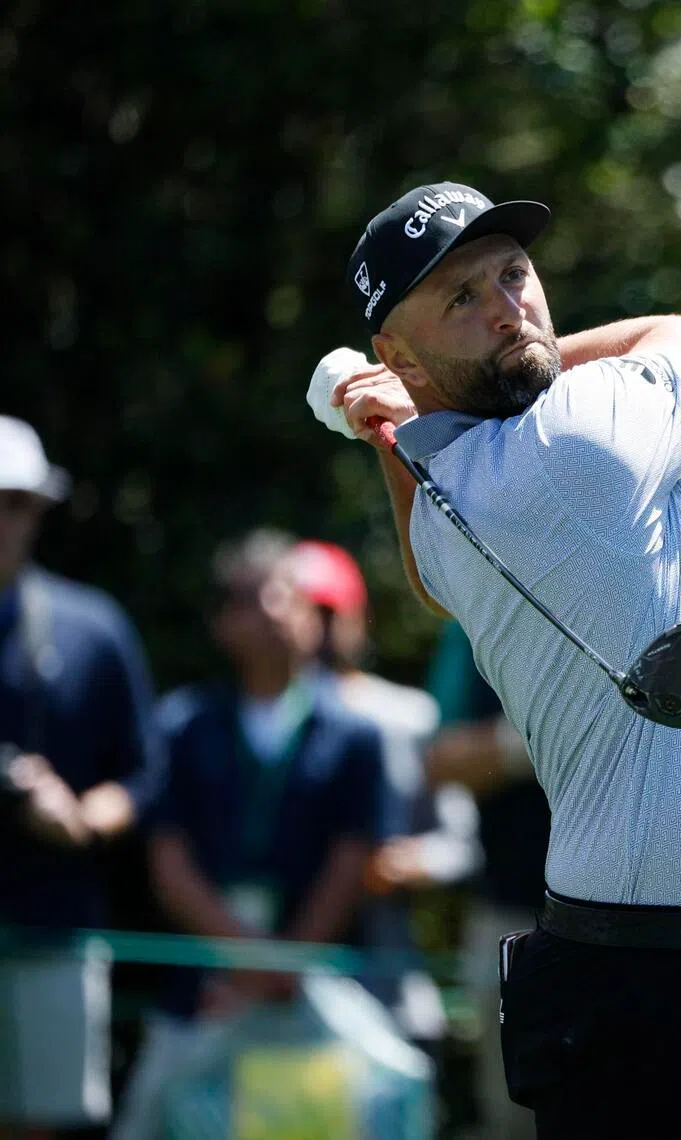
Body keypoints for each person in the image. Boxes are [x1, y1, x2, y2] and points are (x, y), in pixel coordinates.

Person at [309, 179, 681, 1139]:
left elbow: (435, 567)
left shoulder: (456, 500)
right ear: (399, 354)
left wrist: (402, 417)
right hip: (662, 996)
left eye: (513, 276)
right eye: (461, 300)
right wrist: (512, 369)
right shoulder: (581, 438)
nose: (508, 307)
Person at [112, 529, 383, 1140]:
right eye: (271, 594)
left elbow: (352, 861)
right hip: (200, 996)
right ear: (225, 621)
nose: (293, 610)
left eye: (299, 596)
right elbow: (170, 865)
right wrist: (250, 962)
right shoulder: (182, 726)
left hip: (311, 1001)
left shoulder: (354, 734)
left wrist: (281, 969)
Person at [0, 415, 165, 1138]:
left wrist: (79, 816)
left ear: (38, 510)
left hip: (54, 923)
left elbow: (143, 773)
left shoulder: (90, 629)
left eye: (11, 503)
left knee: (45, 1124)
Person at [290, 538, 480, 1055]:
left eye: (330, 612)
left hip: (386, 977)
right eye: (304, 611)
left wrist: (407, 863)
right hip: (282, 978)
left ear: (358, 616)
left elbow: (460, 844)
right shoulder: (260, 722)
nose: (319, 629)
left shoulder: (408, 717)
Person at [424, 618, 550, 1140]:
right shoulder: (478, 620)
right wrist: (543, 734)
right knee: (511, 1119)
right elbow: (441, 758)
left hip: (646, 922)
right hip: (511, 918)